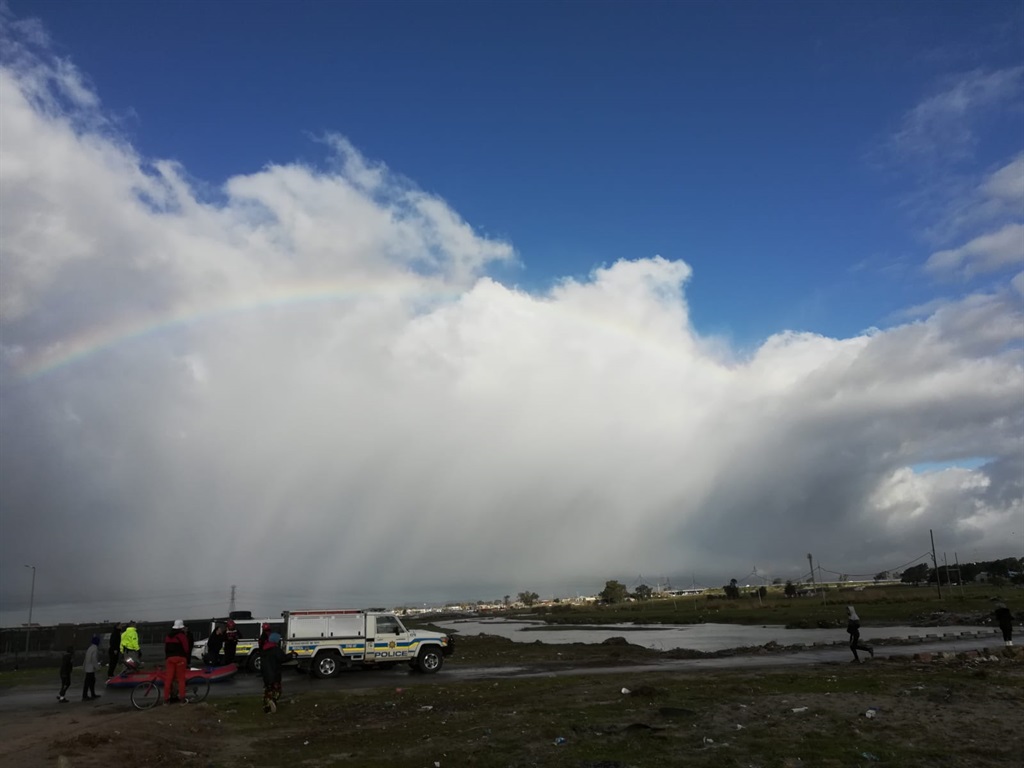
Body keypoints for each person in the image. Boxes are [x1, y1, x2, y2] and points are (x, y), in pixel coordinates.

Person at [163, 619, 191, 704]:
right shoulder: (182, 636)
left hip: (169, 659)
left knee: (169, 679)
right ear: (181, 627)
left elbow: (166, 649)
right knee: (181, 679)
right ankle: (182, 699)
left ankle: (166, 700)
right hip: (180, 658)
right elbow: (186, 648)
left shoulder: (168, 636)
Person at [260, 631, 288, 714]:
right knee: (277, 690)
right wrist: (292, 655)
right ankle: (272, 701)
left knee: (268, 690)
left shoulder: (264, 649)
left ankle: (267, 708)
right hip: (275, 674)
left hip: (266, 675)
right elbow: (283, 658)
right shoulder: (276, 649)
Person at [82, 635, 102, 701]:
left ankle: (90, 694)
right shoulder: (95, 649)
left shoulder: (90, 648)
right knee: (90, 682)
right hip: (91, 668)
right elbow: (94, 659)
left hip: (87, 667)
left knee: (89, 682)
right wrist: (97, 667)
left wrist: (84, 666)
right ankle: (86, 695)